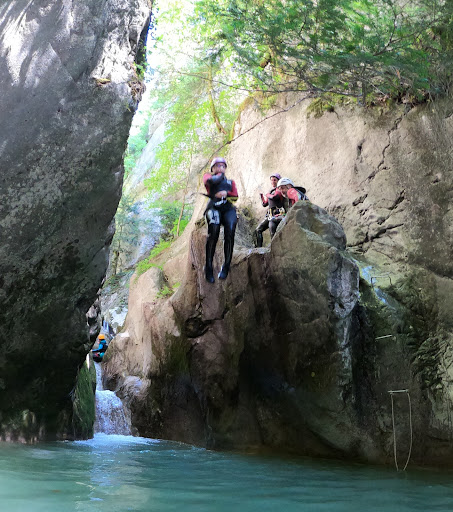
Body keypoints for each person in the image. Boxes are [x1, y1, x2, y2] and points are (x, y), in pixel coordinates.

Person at [203, 157, 238, 283]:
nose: (220, 168)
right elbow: (210, 181)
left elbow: (235, 196)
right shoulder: (208, 176)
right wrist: (219, 175)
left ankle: (226, 265)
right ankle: (208, 266)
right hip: (213, 206)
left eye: (223, 166)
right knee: (214, 228)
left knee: (230, 230)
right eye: (217, 166)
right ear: (212, 168)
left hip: (227, 207)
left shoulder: (230, 182)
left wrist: (226, 194)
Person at [254, 173, 286, 247]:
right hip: (270, 215)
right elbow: (264, 204)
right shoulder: (272, 191)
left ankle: (275, 248)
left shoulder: (279, 189)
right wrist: (261, 196)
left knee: (273, 232)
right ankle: (258, 248)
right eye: (272, 180)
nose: (273, 182)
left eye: (275, 180)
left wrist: (267, 195)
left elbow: (275, 197)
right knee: (258, 229)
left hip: (278, 214)